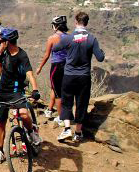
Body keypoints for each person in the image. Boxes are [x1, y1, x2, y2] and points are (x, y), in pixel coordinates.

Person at [0, 28, 41, 164]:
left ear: (8, 42)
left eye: (2, 41)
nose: (1, 43)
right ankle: (0, 151)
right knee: (1, 123)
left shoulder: (22, 55)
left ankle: (31, 132)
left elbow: (29, 73)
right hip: (2, 92)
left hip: (16, 91)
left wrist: (35, 89)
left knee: (24, 114)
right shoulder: (3, 52)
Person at [56, 11, 105, 144]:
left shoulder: (68, 38)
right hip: (84, 76)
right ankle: (78, 132)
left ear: (76, 22)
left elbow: (55, 48)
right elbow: (100, 58)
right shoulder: (92, 39)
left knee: (67, 102)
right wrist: (102, 52)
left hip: (69, 75)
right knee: (81, 103)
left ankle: (67, 128)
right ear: (87, 23)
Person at [36, 15, 69, 123]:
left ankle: (61, 117)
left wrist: (40, 67)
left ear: (56, 26)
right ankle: (50, 109)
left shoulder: (52, 38)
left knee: (58, 93)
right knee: (56, 89)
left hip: (56, 67)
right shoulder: (69, 37)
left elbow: (46, 55)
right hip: (67, 66)